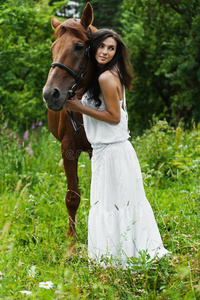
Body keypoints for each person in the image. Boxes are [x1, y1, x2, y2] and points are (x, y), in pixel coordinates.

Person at [66, 28, 168, 268]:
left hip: (112, 151)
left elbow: (114, 117)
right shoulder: (103, 76)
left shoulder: (106, 77)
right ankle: (117, 258)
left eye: (111, 48)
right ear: (94, 47)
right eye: (102, 46)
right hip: (107, 152)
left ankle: (119, 260)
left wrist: (80, 108)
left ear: (116, 52)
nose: (105, 51)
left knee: (114, 206)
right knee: (113, 205)